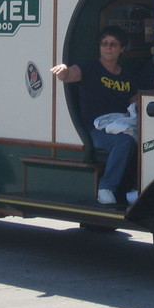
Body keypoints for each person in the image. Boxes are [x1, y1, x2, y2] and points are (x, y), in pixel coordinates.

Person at [51, 26, 138, 205]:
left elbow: (135, 99)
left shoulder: (128, 75)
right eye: (104, 43)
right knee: (124, 142)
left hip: (121, 124)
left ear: (121, 49)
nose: (108, 47)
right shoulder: (89, 68)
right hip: (95, 130)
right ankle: (105, 188)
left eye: (113, 44)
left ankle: (135, 189)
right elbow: (69, 75)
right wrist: (63, 70)